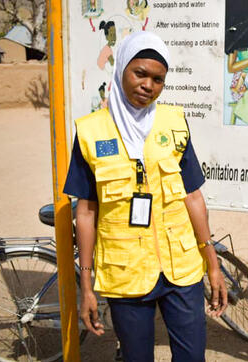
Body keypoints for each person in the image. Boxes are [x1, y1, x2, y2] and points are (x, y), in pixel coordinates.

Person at [64, 31, 227, 361]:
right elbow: (86, 212)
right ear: (122, 68)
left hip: (181, 270)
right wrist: (86, 284)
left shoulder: (174, 123)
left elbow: (192, 197)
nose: (148, 85)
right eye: (140, 73)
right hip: (126, 273)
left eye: (158, 79)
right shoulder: (91, 132)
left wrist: (213, 264)